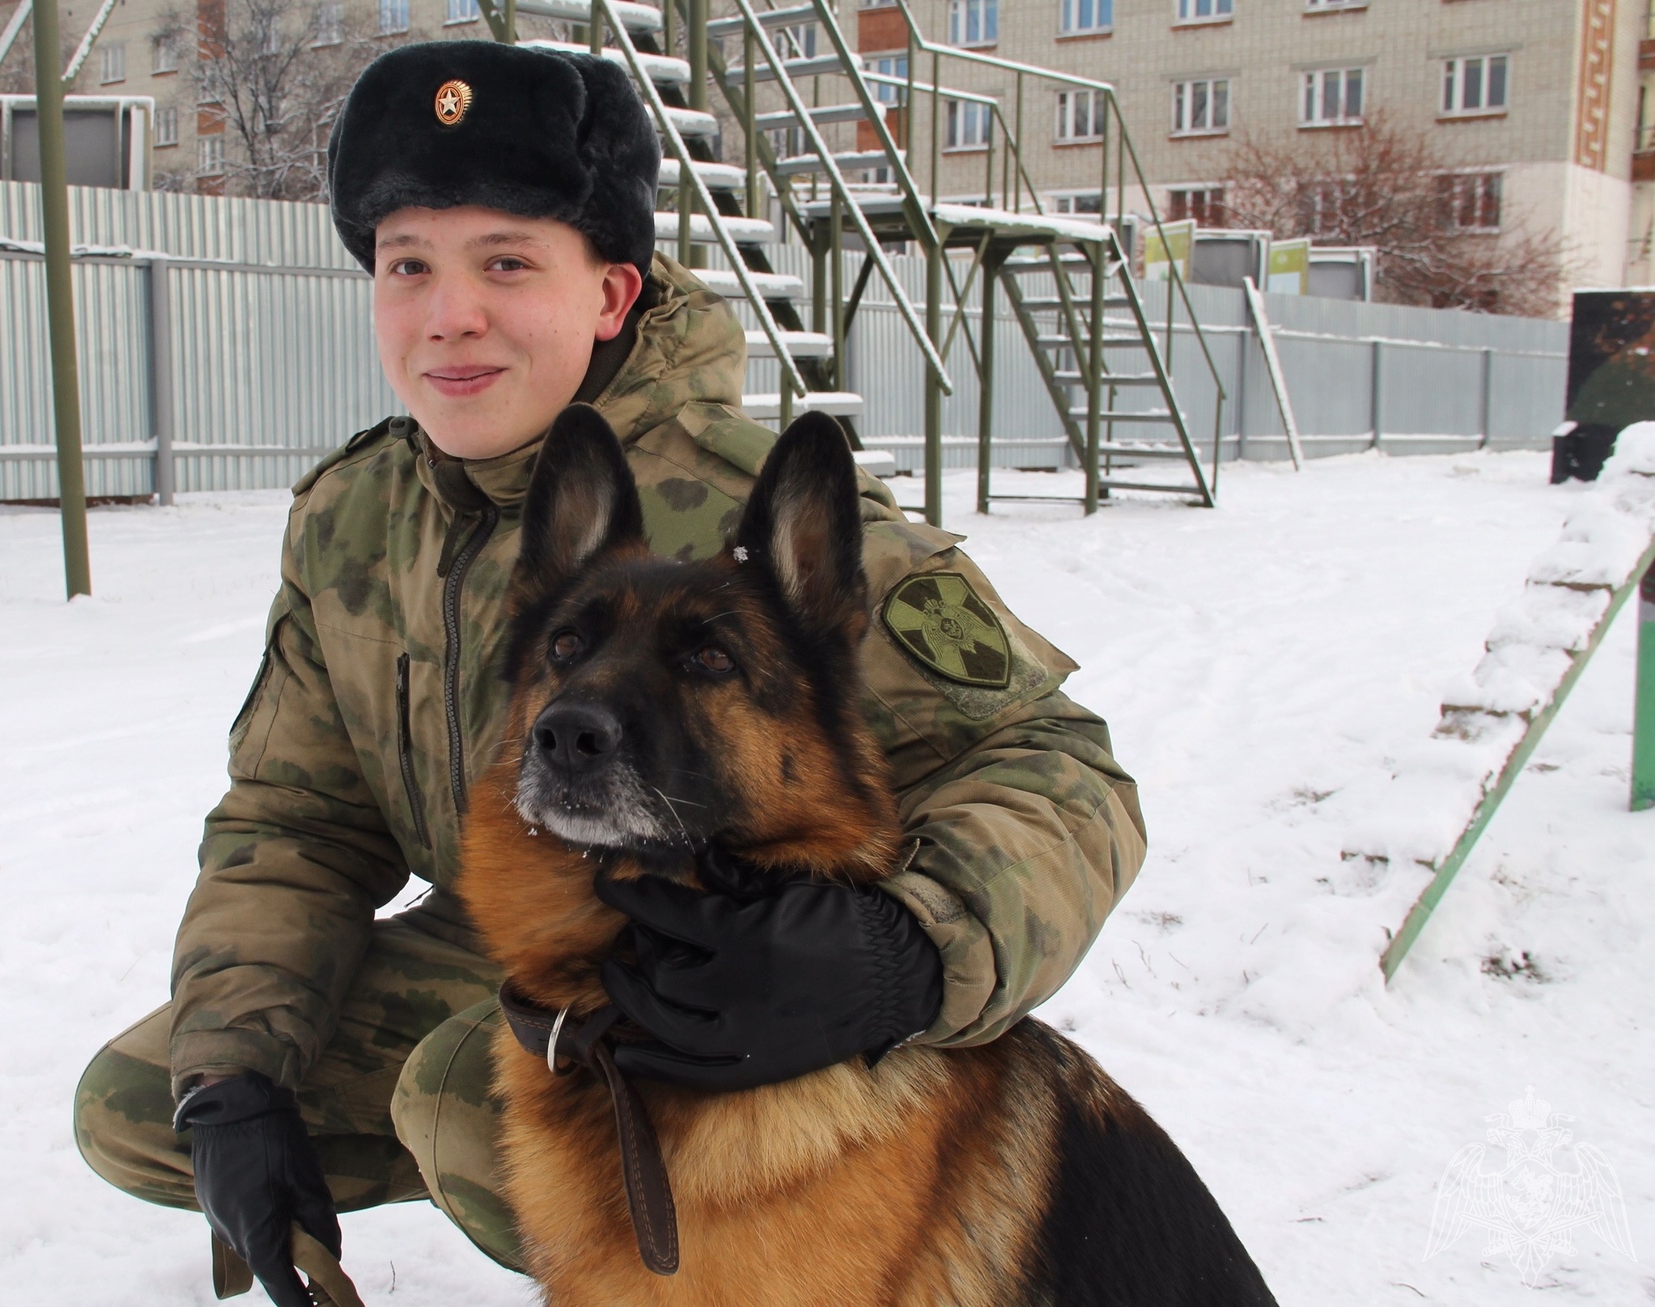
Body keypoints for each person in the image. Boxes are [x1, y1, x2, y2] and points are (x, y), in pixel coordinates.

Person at [74, 38, 1146, 1304]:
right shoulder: (356, 517)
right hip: (517, 933)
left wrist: (895, 954)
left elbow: (1060, 770)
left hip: (730, 972)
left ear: (611, 291)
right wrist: (239, 1076)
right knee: (149, 1104)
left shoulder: (756, 506)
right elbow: (296, 821)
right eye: (407, 265)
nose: (447, 314)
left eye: (506, 264)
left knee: (472, 1108)